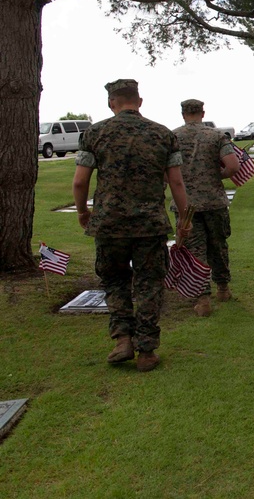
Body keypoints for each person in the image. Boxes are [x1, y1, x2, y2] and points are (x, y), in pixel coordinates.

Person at [72, 79, 190, 373]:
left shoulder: (94, 133)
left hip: (109, 223)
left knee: (115, 281)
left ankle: (122, 338)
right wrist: (184, 220)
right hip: (150, 224)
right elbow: (176, 181)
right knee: (149, 284)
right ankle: (147, 351)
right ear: (139, 101)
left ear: (112, 102)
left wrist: (83, 212)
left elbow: (79, 181)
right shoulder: (163, 134)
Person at [173, 99, 241, 317]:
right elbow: (233, 166)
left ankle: (203, 300)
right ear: (202, 113)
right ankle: (223, 289)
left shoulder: (172, 137)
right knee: (218, 245)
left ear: (183, 114)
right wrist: (216, 176)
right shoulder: (217, 136)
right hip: (214, 202)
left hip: (185, 203)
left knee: (195, 250)